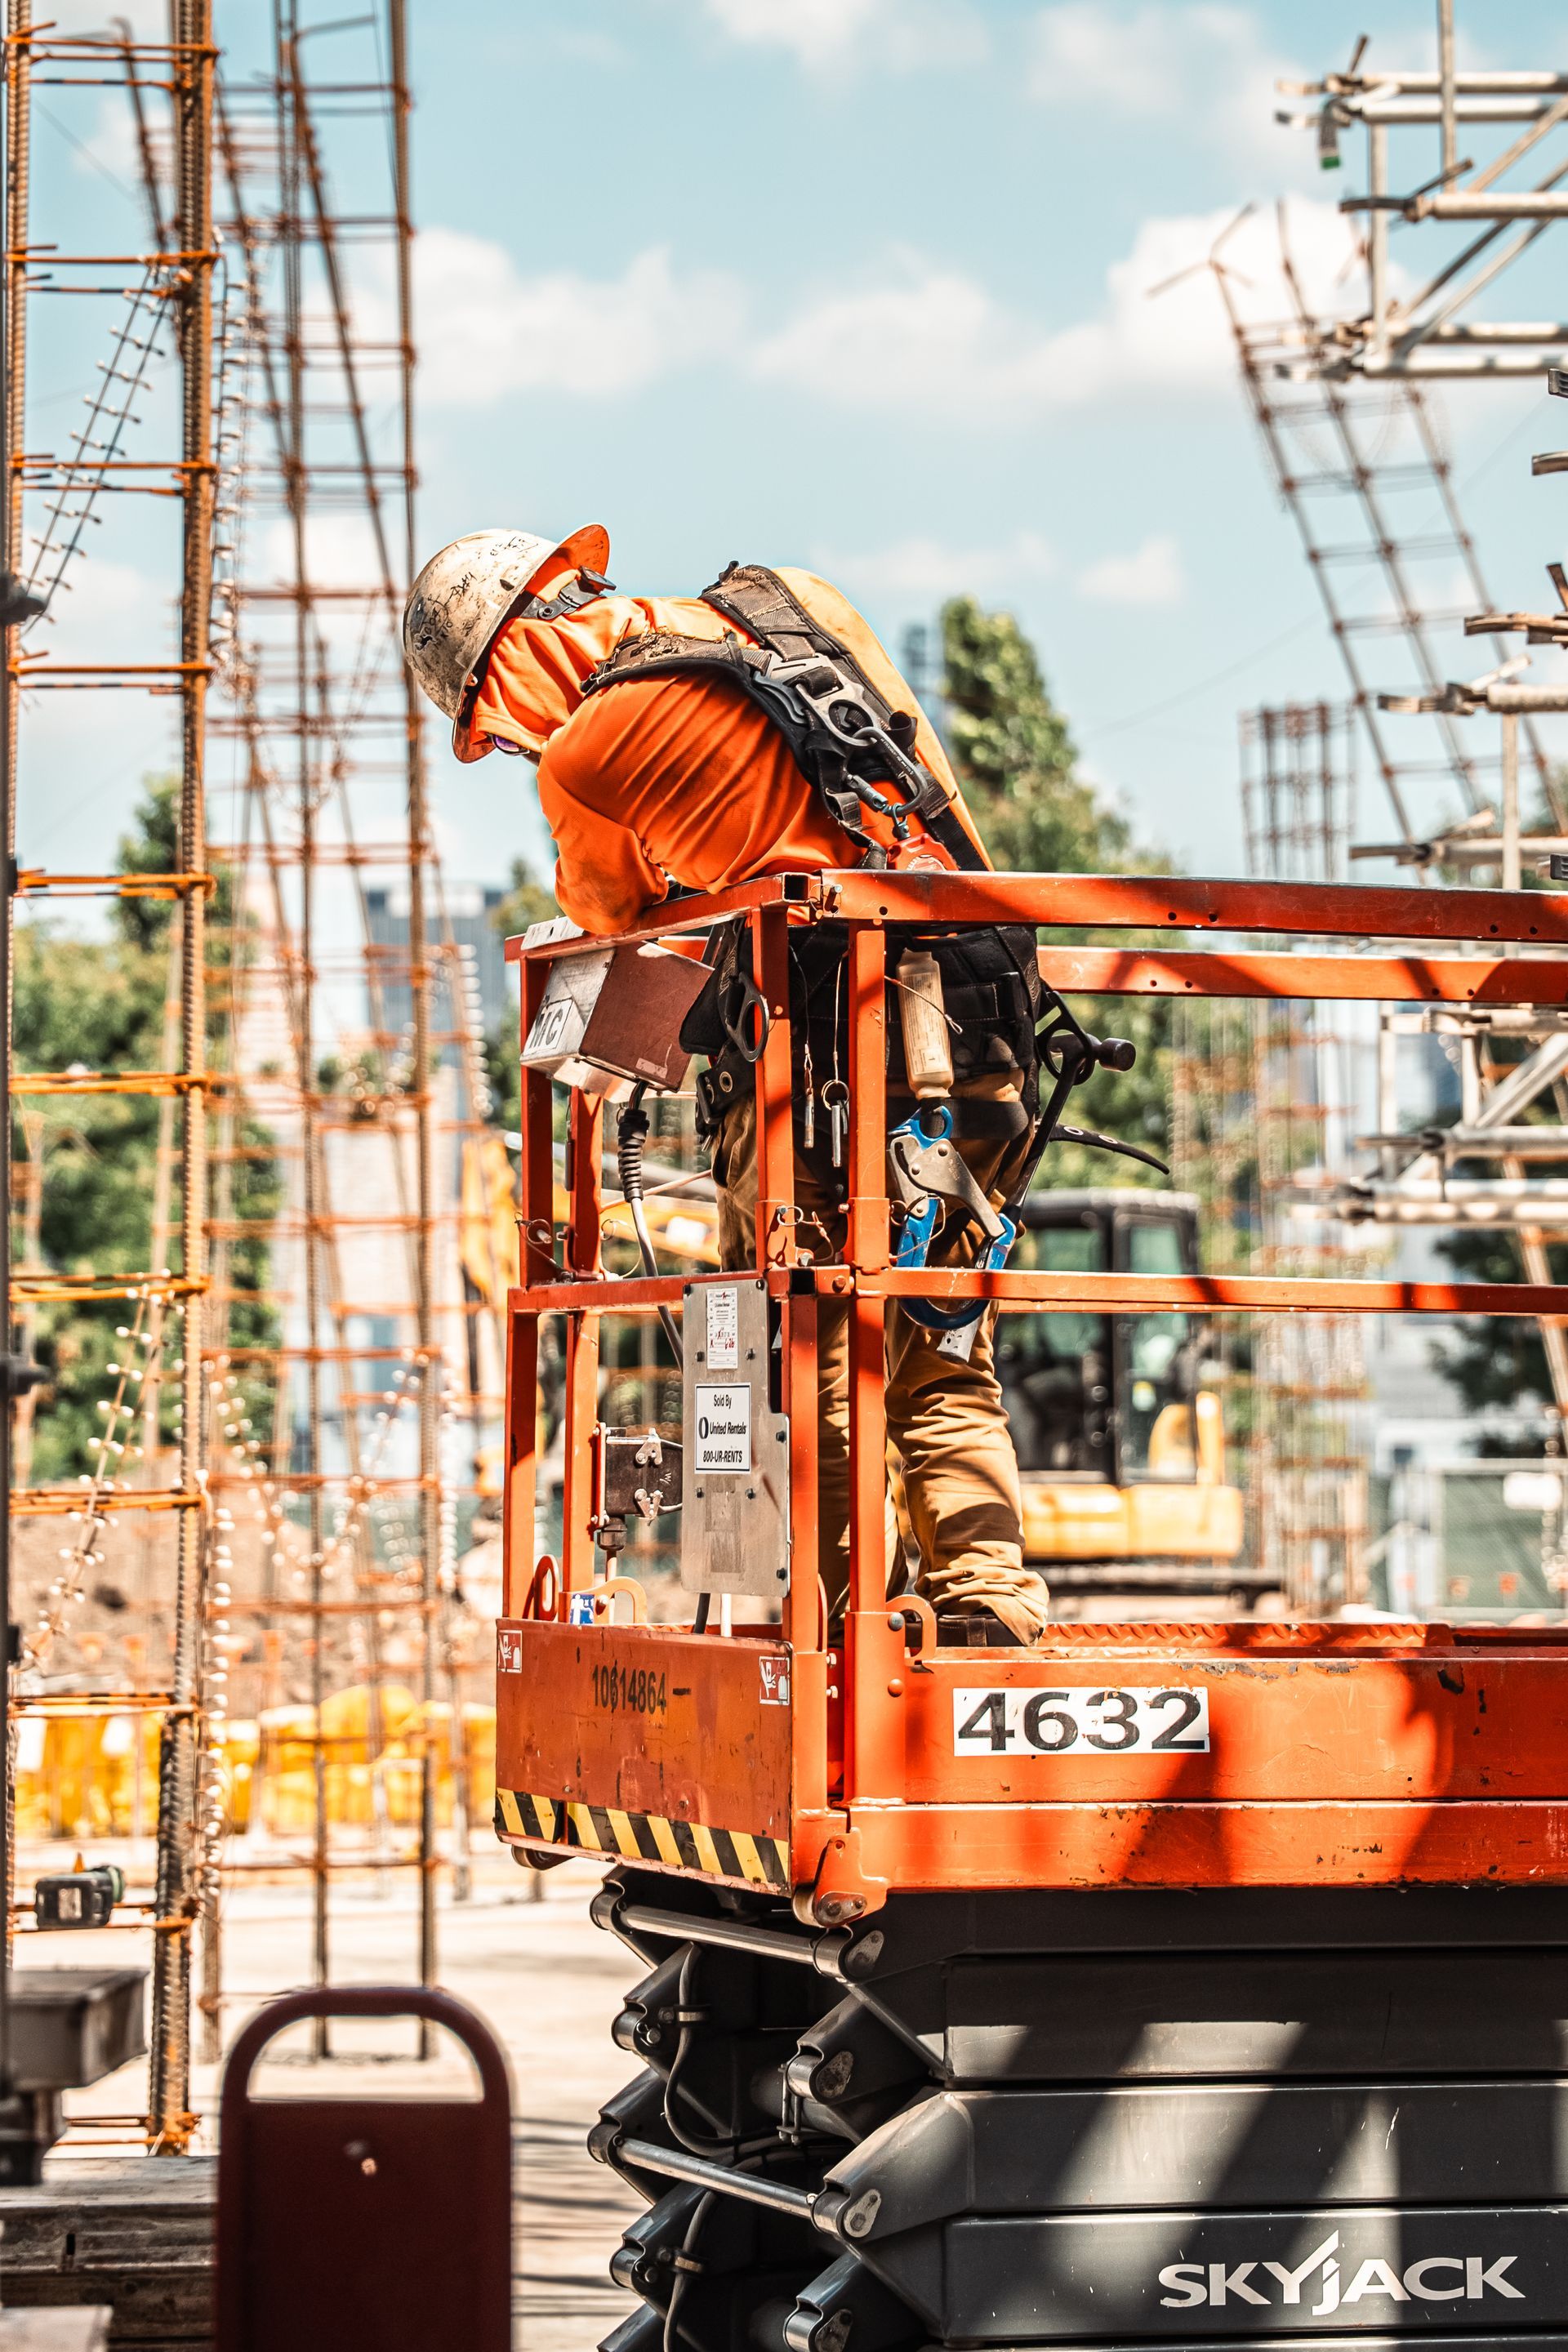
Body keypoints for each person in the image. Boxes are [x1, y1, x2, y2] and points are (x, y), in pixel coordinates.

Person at [403, 523, 1054, 1645]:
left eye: (493, 729)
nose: (515, 748)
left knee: (817, 1366)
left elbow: (616, 917)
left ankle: (853, 1637)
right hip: (982, 1011)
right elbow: (934, 802)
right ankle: (990, 1605)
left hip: (821, 1068)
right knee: (945, 1341)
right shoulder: (788, 599)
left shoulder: (581, 758)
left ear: (503, 665)